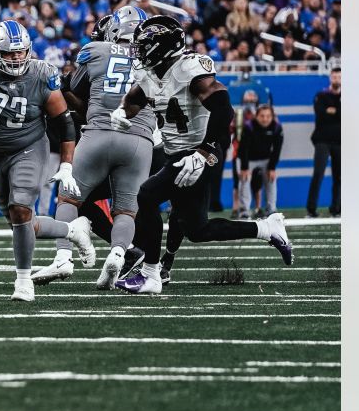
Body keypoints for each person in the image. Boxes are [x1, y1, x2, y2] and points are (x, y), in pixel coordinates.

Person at [110, 15, 294, 295]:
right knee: (197, 230)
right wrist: (122, 113)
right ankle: (267, 228)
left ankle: (151, 274)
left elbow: (224, 109)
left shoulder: (188, 69)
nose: (140, 51)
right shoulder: (149, 74)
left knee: (146, 196)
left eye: (145, 45)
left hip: (202, 151)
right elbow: (134, 99)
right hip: (177, 154)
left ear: (162, 46)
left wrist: (204, 150)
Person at [0, 20, 94, 302]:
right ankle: (73, 230)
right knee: (21, 223)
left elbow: (64, 122)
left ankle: (23, 282)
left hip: (31, 148)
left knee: (20, 210)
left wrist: (66, 164)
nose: (16, 57)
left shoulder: (41, 74)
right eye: (9, 53)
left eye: (21, 52)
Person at [35, 7, 154, 288]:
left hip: (99, 132)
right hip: (140, 140)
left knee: (68, 198)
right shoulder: (157, 58)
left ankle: (63, 258)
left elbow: (72, 90)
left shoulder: (97, 50)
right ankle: (119, 252)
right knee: (126, 210)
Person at [238, 104, 283, 219]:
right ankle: (244, 210)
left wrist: (272, 168)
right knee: (245, 178)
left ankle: (271, 208)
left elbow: (277, 150)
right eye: (262, 116)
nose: (265, 119)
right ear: (256, 116)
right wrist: (244, 167)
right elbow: (244, 148)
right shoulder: (249, 126)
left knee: (272, 178)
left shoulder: (277, 127)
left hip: (266, 159)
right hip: (249, 159)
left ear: (272, 117)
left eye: (268, 116)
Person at [306, 67, 340, 217]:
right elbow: (320, 113)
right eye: (334, 77)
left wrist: (333, 111)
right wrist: (335, 112)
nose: (337, 79)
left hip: (340, 141)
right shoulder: (321, 95)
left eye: (339, 77)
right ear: (330, 78)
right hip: (322, 141)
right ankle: (311, 209)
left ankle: (336, 208)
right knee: (318, 174)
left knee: (339, 176)